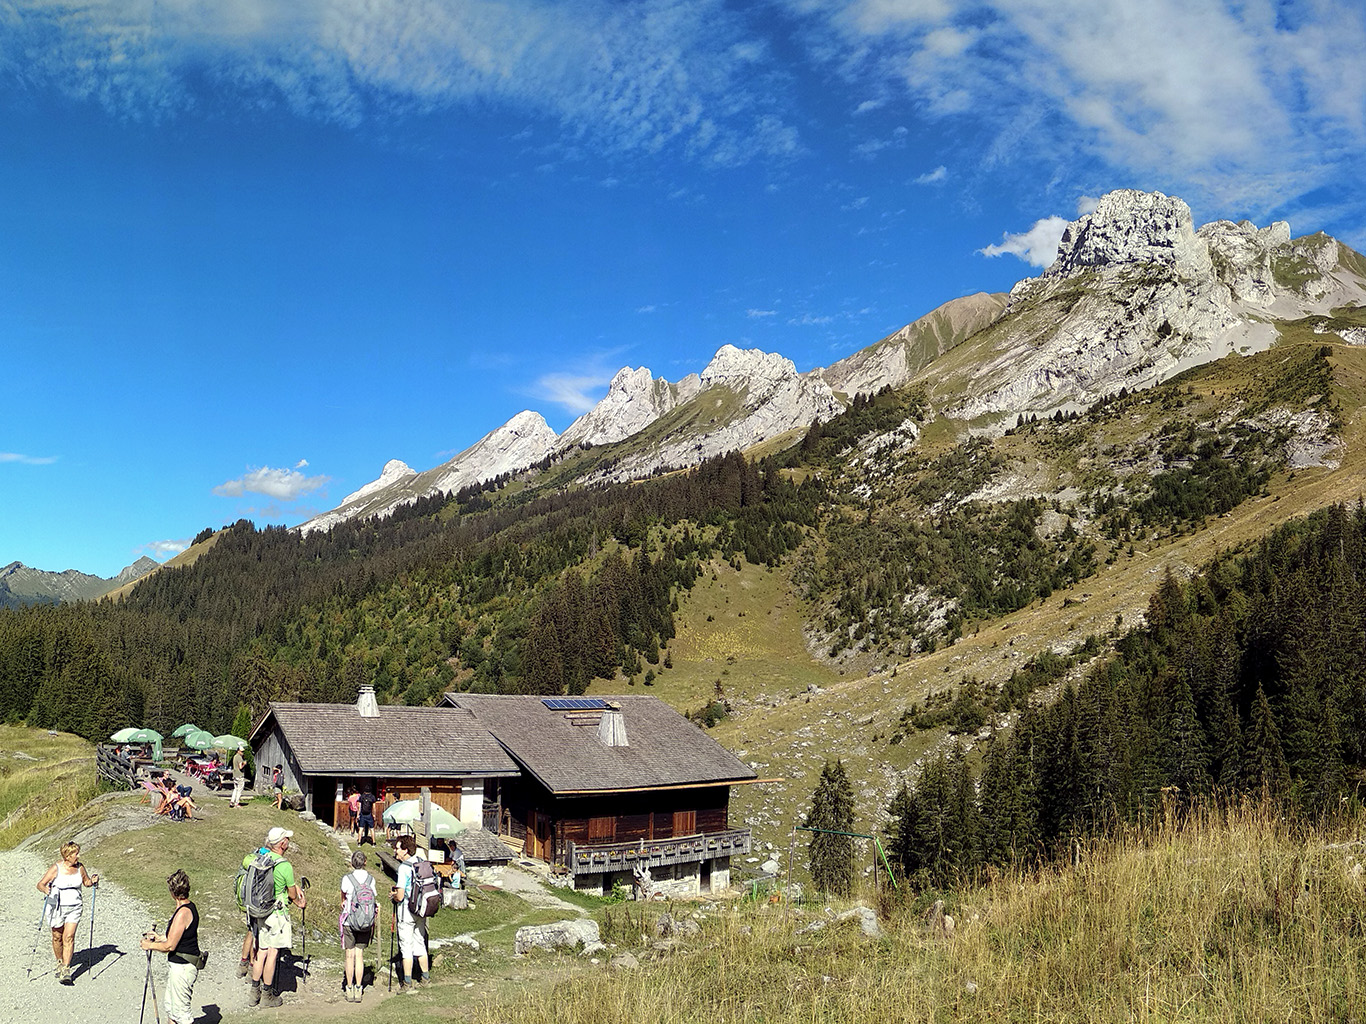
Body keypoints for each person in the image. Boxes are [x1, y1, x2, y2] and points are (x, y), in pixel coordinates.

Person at [245, 826, 306, 1008]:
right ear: (282, 844)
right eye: (286, 839)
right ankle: (268, 995)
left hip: (260, 911)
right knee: (273, 953)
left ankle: (254, 993)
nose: (288, 841)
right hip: (277, 913)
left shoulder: (261, 858)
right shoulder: (284, 865)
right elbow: (292, 894)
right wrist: (299, 902)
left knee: (261, 951)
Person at [141, 870, 202, 1024]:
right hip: (179, 966)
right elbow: (176, 937)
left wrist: (150, 945)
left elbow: (170, 945)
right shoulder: (188, 906)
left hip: (183, 968)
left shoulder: (183, 913)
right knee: (172, 1009)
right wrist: (159, 937)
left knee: (182, 1014)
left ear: (172, 892)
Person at [36, 841, 98, 983]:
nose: (78, 856)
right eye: (76, 853)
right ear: (67, 855)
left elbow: (86, 882)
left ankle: (66, 968)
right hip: (56, 906)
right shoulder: (56, 868)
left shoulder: (80, 867)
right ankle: (59, 961)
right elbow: (40, 884)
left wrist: (93, 881)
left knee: (68, 937)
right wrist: (45, 889)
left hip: (74, 907)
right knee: (57, 936)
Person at [390, 836, 430, 992]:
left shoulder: (403, 868)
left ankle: (407, 983)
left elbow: (400, 896)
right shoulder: (421, 860)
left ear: (405, 850)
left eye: (398, 848)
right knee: (420, 942)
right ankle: (425, 978)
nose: (395, 851)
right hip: (421, 908)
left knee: (406, 947)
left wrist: (393, 895)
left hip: (407, 911)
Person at [339, 851, 376, 1002]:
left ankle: (349, 988)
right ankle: (359, 988)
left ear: (352, 863)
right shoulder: (371, 879)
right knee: (359, 955)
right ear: (365, 862)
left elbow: (343, 896)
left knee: (350, 955)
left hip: (349, 920)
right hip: (365, 922)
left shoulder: (347, 879)